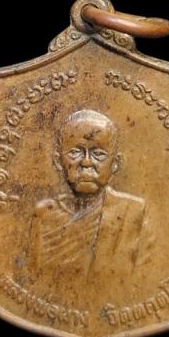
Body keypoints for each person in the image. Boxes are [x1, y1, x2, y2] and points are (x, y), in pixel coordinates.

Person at [28, 109, 153, 280]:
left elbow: (143, 280)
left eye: (98, 154)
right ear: (58, 161)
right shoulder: (45, 214)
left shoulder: (133, 214)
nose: (86, 162)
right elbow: (31, 277)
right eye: (75, 152)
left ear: (115, 163)